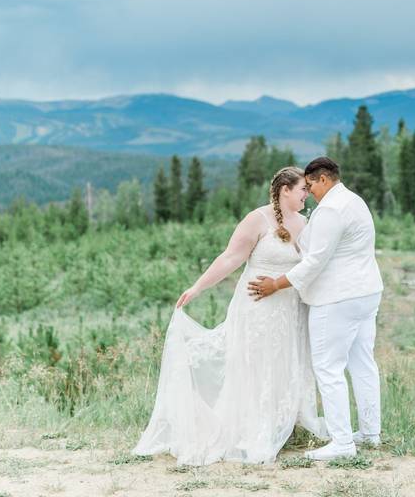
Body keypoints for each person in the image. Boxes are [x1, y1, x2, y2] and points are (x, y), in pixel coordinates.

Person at [132, 167, 326, 465]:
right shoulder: (257, 219)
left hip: (290, 310)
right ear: (285, 189)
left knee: (285, 363)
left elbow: (312, 265)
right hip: (258, 308)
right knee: (255, 365)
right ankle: (251, 431)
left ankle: (283, 426)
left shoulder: (305, 222)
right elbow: (231, 257)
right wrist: (197, 288)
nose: (307, 194)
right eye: (302, 189)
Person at [249, 156, 384, 461]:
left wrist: (276, 284)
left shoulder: (331, 211)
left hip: (337, 298)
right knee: (363, 363)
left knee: (328, 367)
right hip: (366, 292)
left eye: (310, 185)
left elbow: (314, 262)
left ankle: (342, 443)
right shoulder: (354, 201)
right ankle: (369, 433)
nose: (309, 192)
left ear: (323, 179)